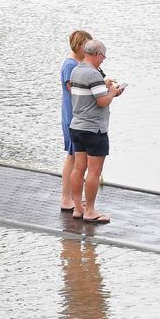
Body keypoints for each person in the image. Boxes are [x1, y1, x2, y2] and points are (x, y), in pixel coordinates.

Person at [66, 38, 124, 224]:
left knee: (78, 167)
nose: (103, 61)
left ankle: (78, 208)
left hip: (77, 126)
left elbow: (90, 94)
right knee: (94, 171)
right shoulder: (93, 74)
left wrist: (105, 87)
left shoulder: (76, 70)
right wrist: (113, 92)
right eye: (103, 57)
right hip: (94, 129)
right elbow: (102, 101)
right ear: (97, 55)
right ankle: (90, 211)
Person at [59, 30, 92, 213]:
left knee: (77, 158)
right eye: (86, 46)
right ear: (78, 46)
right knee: (73, 157)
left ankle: (74, 197)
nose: (88, 50)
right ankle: (66, 198)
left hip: (77, 117)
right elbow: (75, 92)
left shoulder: (78, 64)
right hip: (72, 117)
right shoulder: (70, 66)